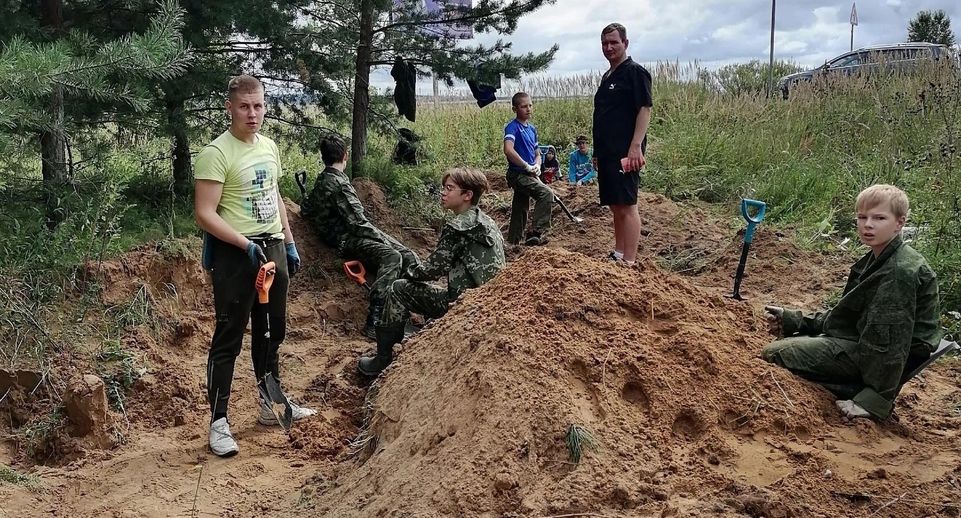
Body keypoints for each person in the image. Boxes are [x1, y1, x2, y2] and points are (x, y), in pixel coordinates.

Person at [194, 74, 316, 458]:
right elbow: (204, 213)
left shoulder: (269, 147)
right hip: (236, 254)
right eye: (245, 106)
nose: (253, 113)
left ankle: (270, 403)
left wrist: (289, 243)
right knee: (229, 336)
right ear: (229, 107)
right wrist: (244, 243)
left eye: (259, 105)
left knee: (271, 332)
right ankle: (219, 422)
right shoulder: (216, 152)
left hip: (273, 248)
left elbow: (274, 194)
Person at [761, 185, 941, 420]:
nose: (868, 224)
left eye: (879, 218)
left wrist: (872, 400)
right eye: (862, 217)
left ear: (899, 223)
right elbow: (847, 314)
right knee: (793, 343)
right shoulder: (879, 257)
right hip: (866, 340)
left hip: (890, 354)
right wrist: (796, 320)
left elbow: (889, 341)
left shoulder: (898, 272)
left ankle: (856, 389)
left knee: (776, 353)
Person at [358, 169, 506, 376]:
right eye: (443, 187)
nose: (442, 193)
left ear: (467, 195)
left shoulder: (457, 227)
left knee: (398, 288)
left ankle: (383, 359)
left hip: (464, 306)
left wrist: (407, 272)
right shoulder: (489, 223)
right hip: (491, 302)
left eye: (449, 188)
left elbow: (433, 269)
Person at [300, 135, 420, 339]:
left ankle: (404, 312)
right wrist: (385, 240)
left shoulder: (322, 180)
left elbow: (306, 209)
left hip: (338, 238)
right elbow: (359, 224)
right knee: (394, 256)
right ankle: (377, 321)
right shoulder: (340, 185)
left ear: (324, 158)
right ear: (345, 156)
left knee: (402, 254)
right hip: (346, 240)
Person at [592, 23, 653, 265]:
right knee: (615, 204)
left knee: (627, 205)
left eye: (614, 42)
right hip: (607, 152)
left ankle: (629, 261)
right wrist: (597, 152)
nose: (609, 47)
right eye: (605, 43)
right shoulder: (608, 76)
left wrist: (636, 146)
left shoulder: (635, 73)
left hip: (626, 151)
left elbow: (644, 109)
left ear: (625, 43)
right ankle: (618, 253)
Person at [504, 92, 553, 246]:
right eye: (523, 106)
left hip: (529, 174)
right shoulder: (512, 127)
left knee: (520, 208)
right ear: (515, 108)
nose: (528, 109)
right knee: (546, 193)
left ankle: (513, 243)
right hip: (517, 174)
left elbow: (537, 153)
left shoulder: (531, 129)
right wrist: (525, 165)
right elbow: (508, 150)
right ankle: (536, 232)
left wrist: (537, 165)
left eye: (530, 105)